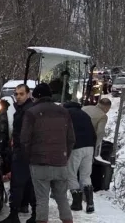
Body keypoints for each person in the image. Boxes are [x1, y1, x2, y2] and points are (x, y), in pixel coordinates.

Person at [20, 83, 75, 223]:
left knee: (42, 200)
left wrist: (29, 158)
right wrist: (64, 156)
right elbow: (71, 139)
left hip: (39, 163)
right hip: (60, 163)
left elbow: (24, 140)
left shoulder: (31, 113)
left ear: (37, 96)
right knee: (62, 198)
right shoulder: (64, 112)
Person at [0, 83, 37, 223]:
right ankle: (25, 213)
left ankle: (17, 214)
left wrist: (20, 148)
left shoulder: (28, 111)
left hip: (24, 153)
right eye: (16, 94)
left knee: (19, 184)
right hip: (22, 151)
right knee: (26, 184)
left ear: (28, 94)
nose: (18, 97)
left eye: (21, 94)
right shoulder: (20, 110)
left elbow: (28, 133)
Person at [63, 100, 97, 213]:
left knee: (71, 174)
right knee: (86, 175)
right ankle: (90, 203)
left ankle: (77, 203)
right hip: (89, 147)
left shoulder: (66, 113)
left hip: (76, 147)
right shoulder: (85, 114)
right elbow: (94, 132)